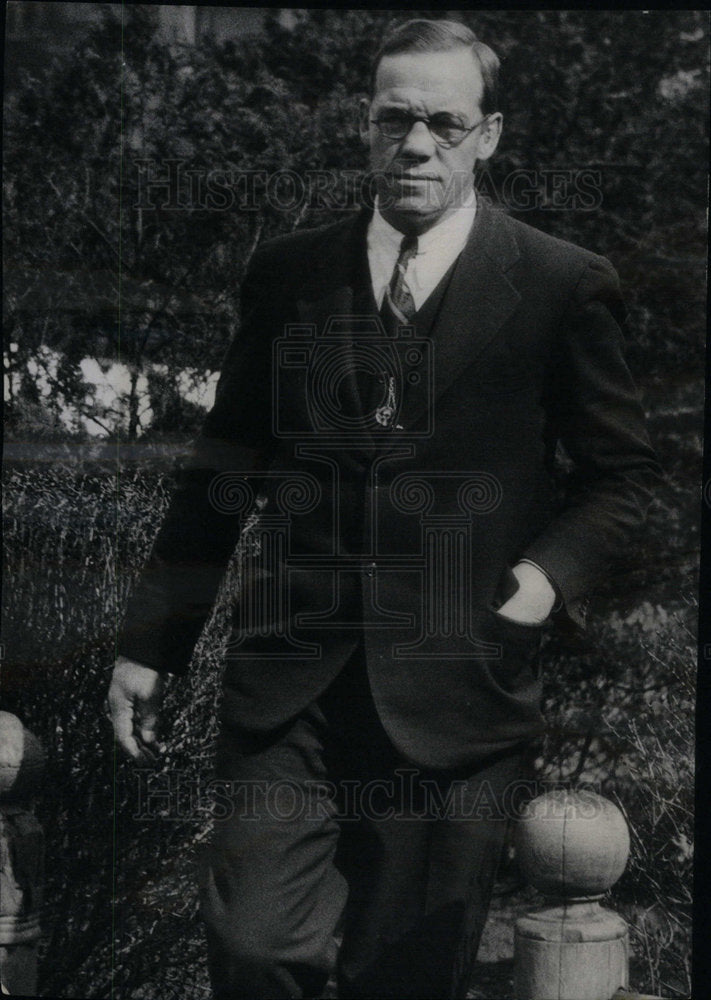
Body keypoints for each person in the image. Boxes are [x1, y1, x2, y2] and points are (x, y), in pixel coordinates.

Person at [108, 18, 660, 999]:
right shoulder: (290, 274)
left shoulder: (560, 285)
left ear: (487, 136)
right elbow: (220, 469)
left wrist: (540, 583)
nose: (414, 145)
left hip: (460, 687)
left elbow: (625, 480)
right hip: (290, 689)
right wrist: (153, 642)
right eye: (392, 119)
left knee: (402, 978)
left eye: (443, 124)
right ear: (364, 124)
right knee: (258, 948)